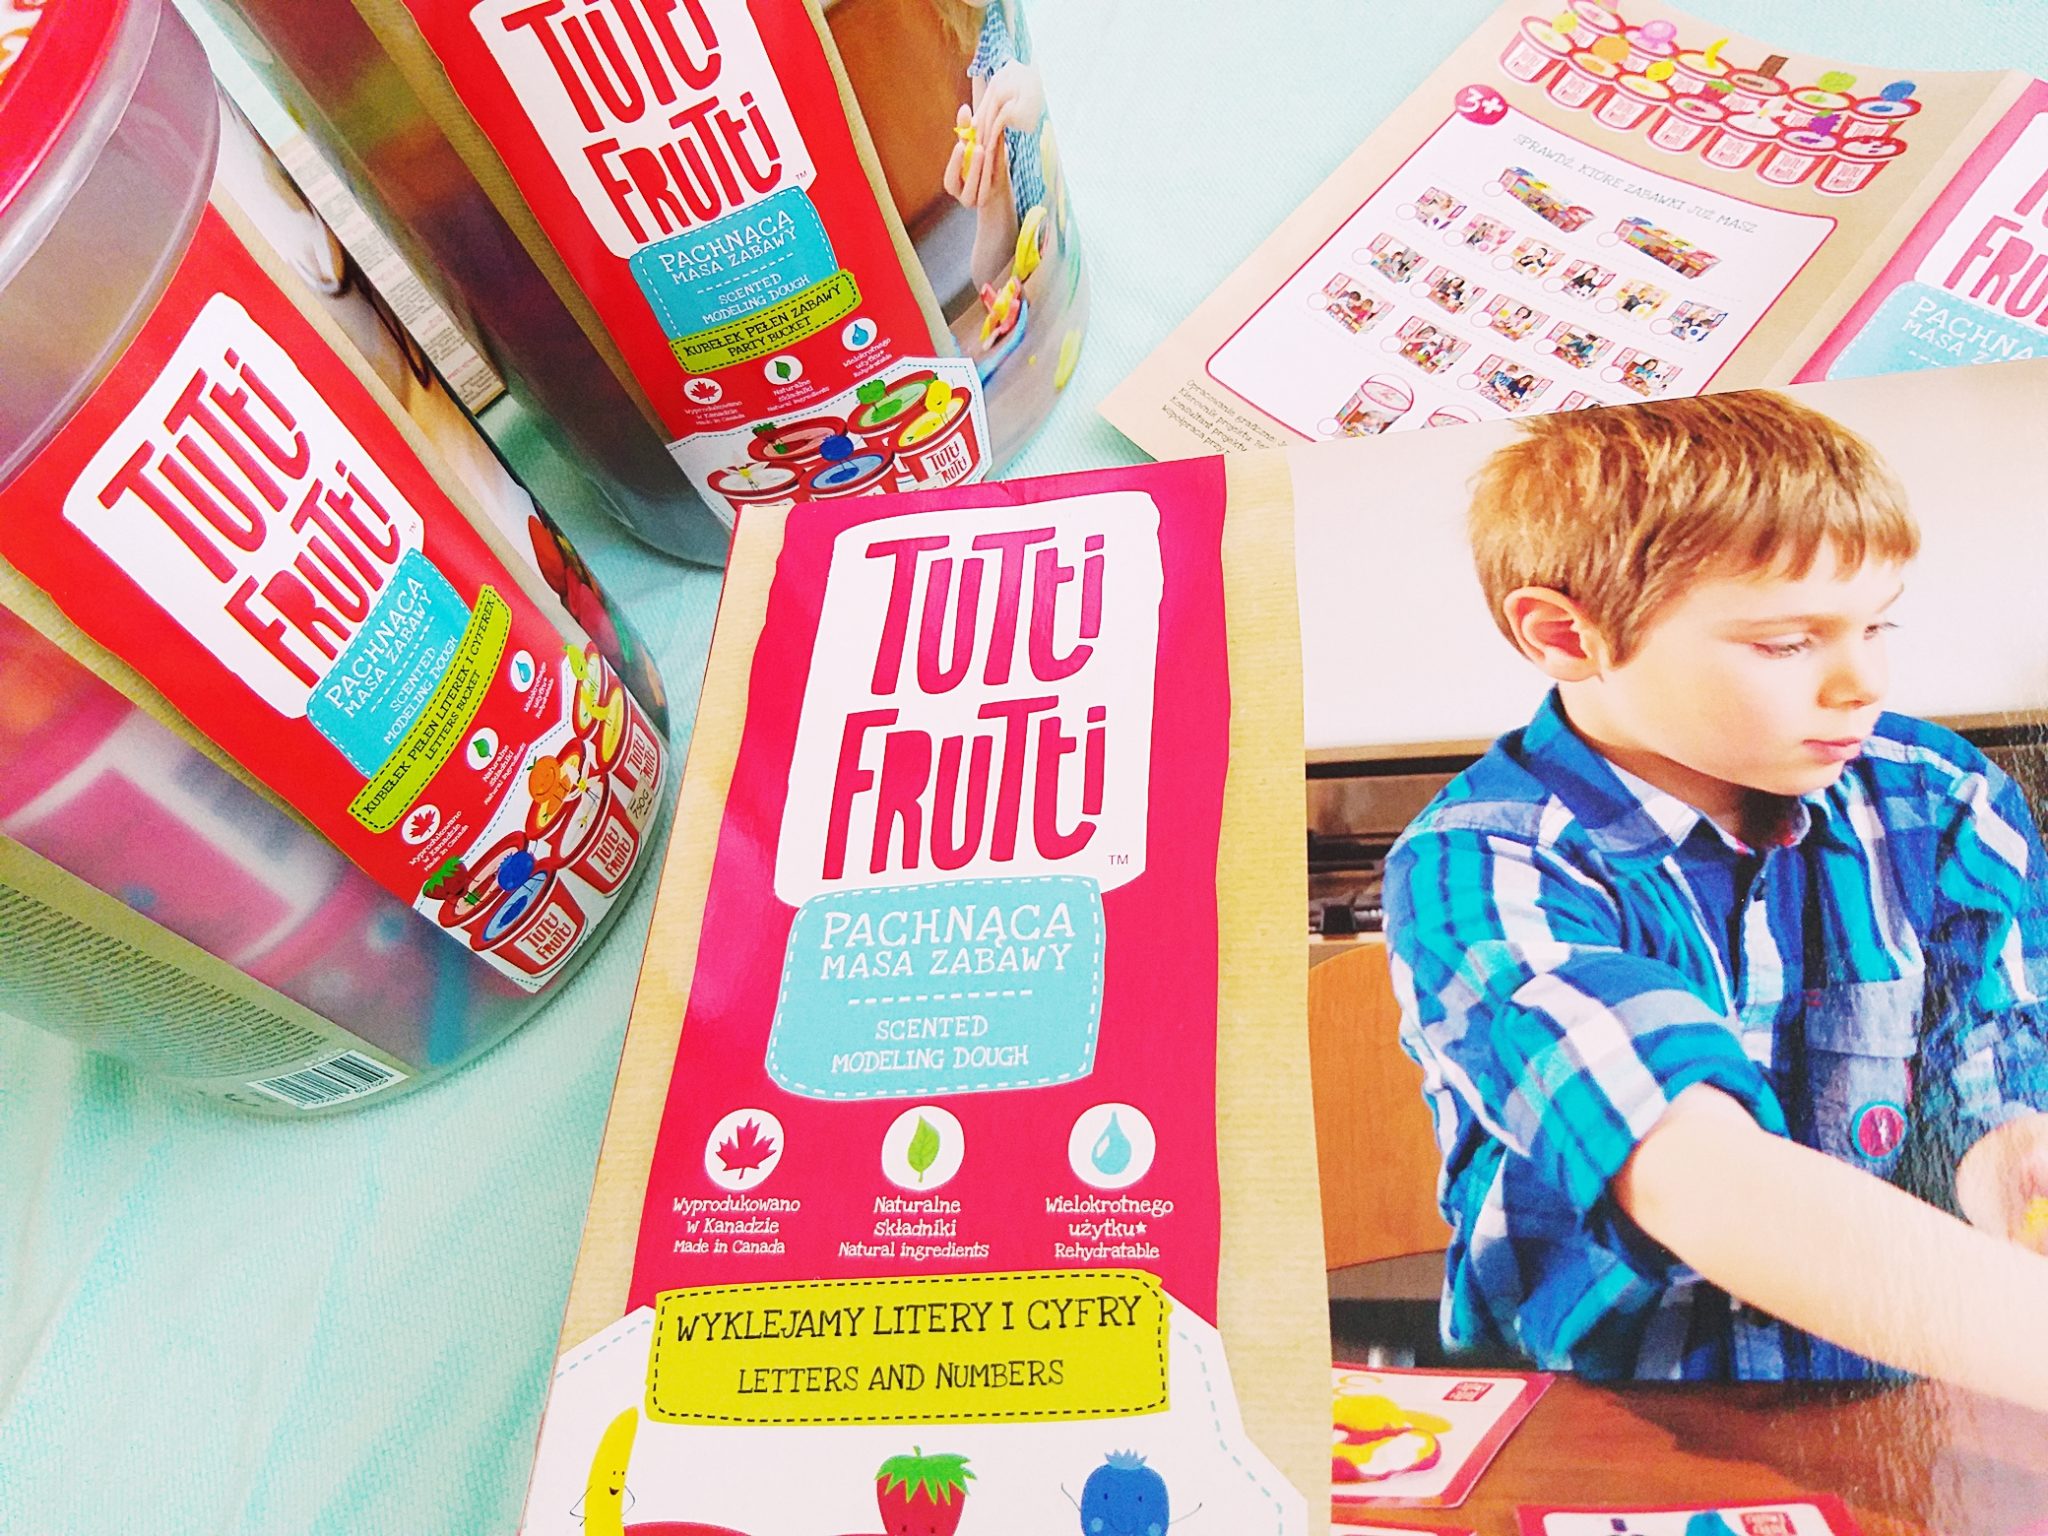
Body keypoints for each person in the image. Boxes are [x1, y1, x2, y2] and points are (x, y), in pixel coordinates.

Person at [1383, 392, 2048, 1408]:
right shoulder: (1480, 863)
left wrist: (2021, 1172)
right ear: (1565, 636)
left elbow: (1990, 1088)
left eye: (1876, 623)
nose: (1861, 683)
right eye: (1786, 644)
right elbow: (1694, 1174)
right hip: (1611, 1409)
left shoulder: (1946, 801)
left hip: (1895, 1399)